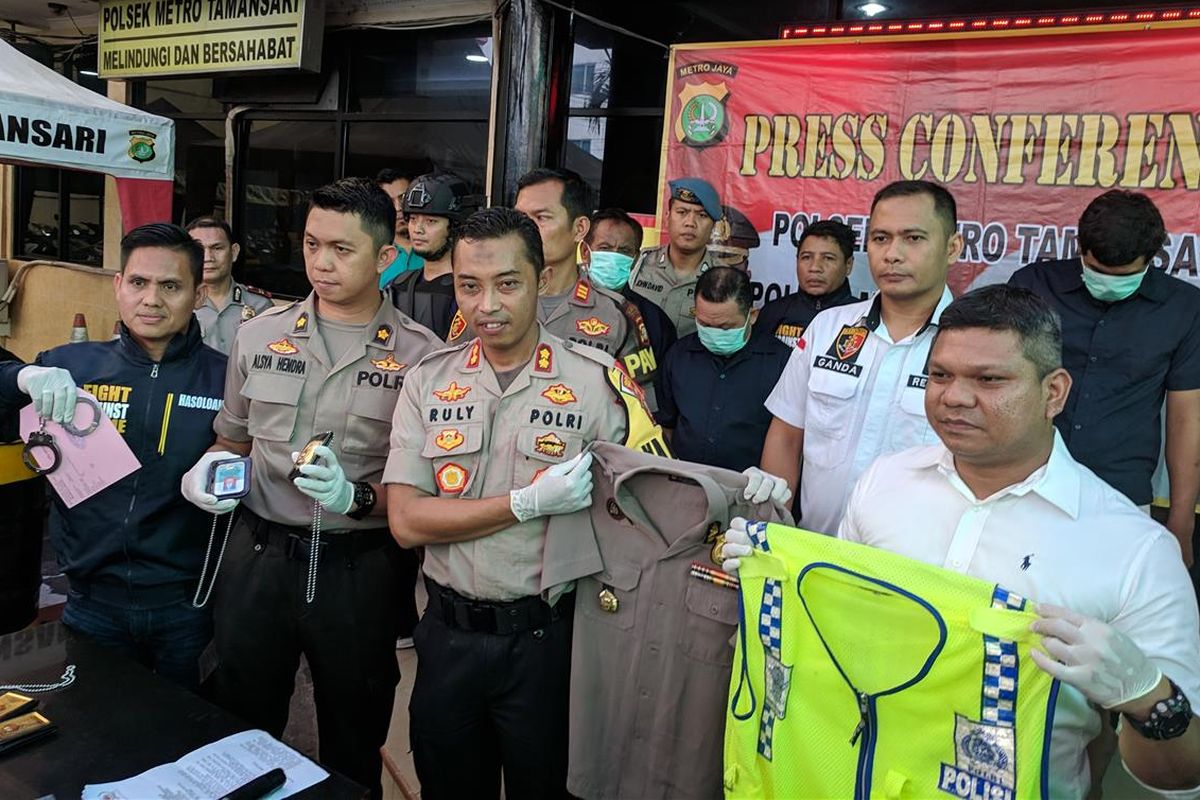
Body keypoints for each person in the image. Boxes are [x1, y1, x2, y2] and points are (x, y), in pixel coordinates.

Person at [725, 284, 1200, 797]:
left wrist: (1149, 700)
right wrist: (776, 566)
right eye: (940, 375)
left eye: (989, 379)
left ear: (1054, 392)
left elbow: (1176, 776)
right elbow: (838, 636)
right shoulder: (883, 484)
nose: (954, 396)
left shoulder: (1133, 551)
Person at [383, 207, 672, 800]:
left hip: (550, 643)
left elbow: (655, 506)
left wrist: (741, 500)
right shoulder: (429, 380)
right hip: (448, 636)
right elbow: (407, 522)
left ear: (541, 282)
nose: (486, 304)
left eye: (507, 283)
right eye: (469, 285)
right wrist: (522, 503)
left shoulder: (598, 383)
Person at [179, 177, 443, 798]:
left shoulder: (422, 359)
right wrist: (210, 470)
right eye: (311, 243)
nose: (321, 263)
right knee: (242, 726)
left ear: (384, 257)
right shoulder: (259, 334)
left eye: (342, 249)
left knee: (353, 734)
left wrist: (356, 496)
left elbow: (423, 494)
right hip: (260, 557)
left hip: (360, 570)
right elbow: (234, 439)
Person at [0, 223, 226, 688]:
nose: (152, 299)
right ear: (118, 286)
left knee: (181, 736)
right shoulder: (70, 367)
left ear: (198, 294)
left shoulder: (227, 379)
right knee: (94, 739)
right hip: (88, 602)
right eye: (139, 283)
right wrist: (21, 378)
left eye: (171, 286)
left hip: (187, 608)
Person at [760, 179, 962, 534]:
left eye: (913, 238)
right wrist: (774, 527)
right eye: (881, 238)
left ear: (952, 247)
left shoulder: (972, 345)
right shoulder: (827, 328)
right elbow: (787, 434)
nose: (892, 254)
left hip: (911, 571)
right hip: (811, 551)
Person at [1009, 190, 1200, 565]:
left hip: (1121, 494)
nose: (1108, 282)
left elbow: (1185, 418)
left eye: (1124, 276)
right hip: (1024, 481)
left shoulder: (1185, 308)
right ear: (1081, 248)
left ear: (1153, 257)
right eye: (1097, 272)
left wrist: (1181, 522)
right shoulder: (1033, 285)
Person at [658, 266, 789, 472]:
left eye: (725, 327)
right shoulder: (679, 356)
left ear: (752, 316)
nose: (713, 333)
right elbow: (667, 426)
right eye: (704, 324)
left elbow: (789, 441)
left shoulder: (781, 363)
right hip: (685, 486)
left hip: (749, 491)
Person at [584, 207, 678, 390]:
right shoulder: (560, 304)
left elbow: (659, 390)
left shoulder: (653, 319)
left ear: (635, 259)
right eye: (605, 248)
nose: (614, 256)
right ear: (586, 252)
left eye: (624, 251)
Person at [629, 177, 723, 336]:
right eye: (682, 212)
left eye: (701, 215)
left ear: (713, 227)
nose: (690, 223)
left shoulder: (722, 279)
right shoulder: (638, 264)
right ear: (667, 217)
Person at [389, 172, 475, 340]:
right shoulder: (398, 284)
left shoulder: (469, 291)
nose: (417, 229)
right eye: (413, 219)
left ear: (455, 227)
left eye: (430, 221)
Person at [755, 219, 860, 348]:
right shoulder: (772, 314)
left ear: (848, 265)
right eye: (806, 257)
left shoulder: (864, 319)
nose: (815, 267)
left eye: (828, 258)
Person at [187, 216, 273, 355]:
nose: (208, 257)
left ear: (234, 252)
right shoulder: (177, 304)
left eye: (217, 248)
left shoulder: (260, 305)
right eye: (199, 249)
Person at [376, 168, 426, 288]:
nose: (398, 208)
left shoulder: (435, 249)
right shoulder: (374, 254)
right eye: (389, 201)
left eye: (403, 198)